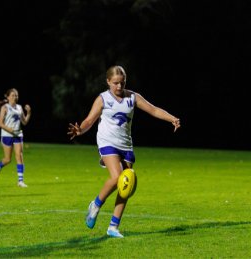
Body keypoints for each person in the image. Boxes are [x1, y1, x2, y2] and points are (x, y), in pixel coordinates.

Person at [67, 65, 181, 238]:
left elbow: (153, 109)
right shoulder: (103, 99)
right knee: (117, 177)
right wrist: (79, 130)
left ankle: (113, 226)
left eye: (122, 83)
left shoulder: (132, 97)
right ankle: (96, 205)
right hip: (107, 142)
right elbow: (89, 120)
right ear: (108, 82)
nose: (119, 87)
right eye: (115, 83)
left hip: (126, 145)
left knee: (126, 184)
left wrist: (172, 118)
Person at [0, 88, 31, 187]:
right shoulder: (5, 107)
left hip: (18, 135)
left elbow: (24, 122)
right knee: (8, 159)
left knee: (19, 156)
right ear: (8, 97)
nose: (15, 97)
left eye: (16, 95)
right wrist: (9, 130)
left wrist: (29, 113)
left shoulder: (19, 107)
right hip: (7, 135)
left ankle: (20, 181)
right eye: (12, 95)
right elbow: (0, 123)